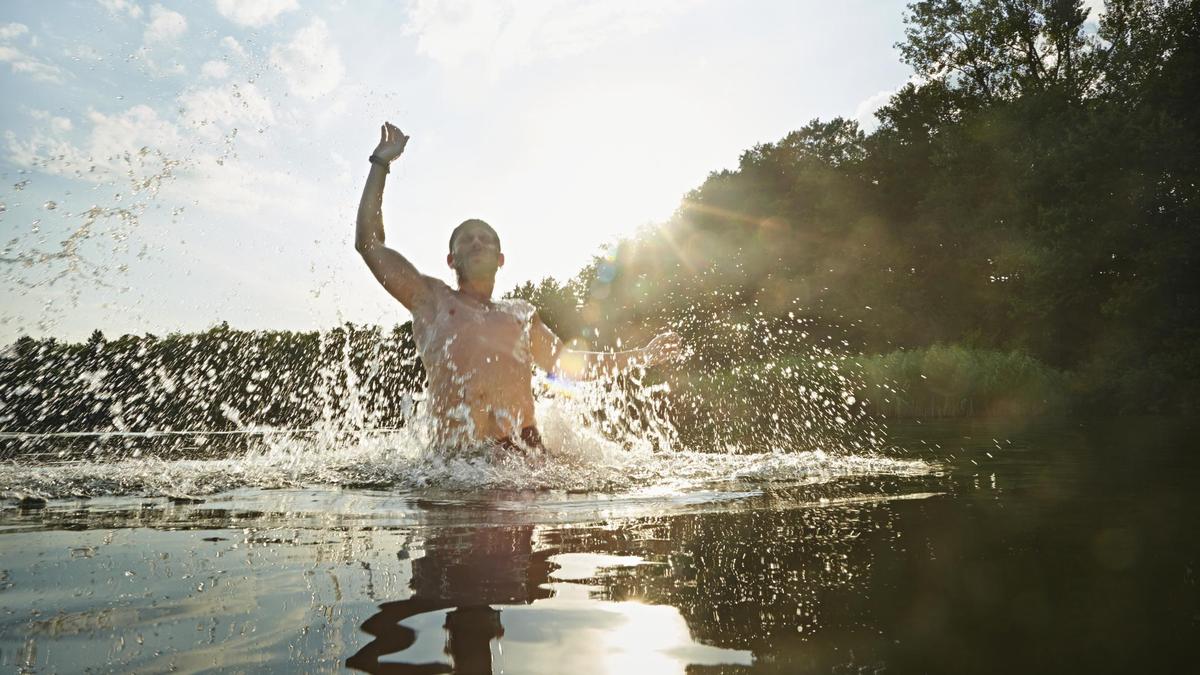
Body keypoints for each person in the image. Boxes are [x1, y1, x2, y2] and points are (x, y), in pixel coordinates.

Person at [355, 122, 682, 451]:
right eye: (466, 240)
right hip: (454, 466)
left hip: (524, 460)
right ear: (451, 260)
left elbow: (567, 364)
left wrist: (643, 355)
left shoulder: (521, 314)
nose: (477, 243)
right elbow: (369, 244)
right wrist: (381, 163)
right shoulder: (431, 300)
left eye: (486, 240)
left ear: (500, 259)